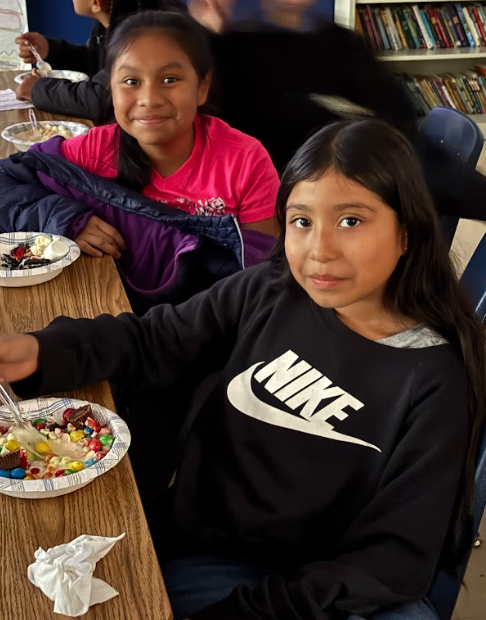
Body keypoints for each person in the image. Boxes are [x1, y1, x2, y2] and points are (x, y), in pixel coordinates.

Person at [1, 119, 484, 620]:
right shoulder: (270, 290)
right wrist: (37, 351)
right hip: (204, 545)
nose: (319, 250)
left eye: (351, 221)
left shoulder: (435, 376)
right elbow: (154, 339)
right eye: (301, 221)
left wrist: (253, 610)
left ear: (407, 232)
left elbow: (394, 556)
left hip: (306, 588)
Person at [0, 11, 279, 308]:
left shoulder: (245, 161)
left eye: (169, 79)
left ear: (202, 87)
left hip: (206, 321)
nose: (149, 99)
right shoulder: (97, 148)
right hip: (113, 309)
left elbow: (261, 277)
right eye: (131, 81)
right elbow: (7, 180)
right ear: (111, 89)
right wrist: (67, 219)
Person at [14, 0, 187, 122]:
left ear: (97, 2)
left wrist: (38, 89)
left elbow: (103, 98)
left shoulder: (145, 34)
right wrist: (51, 51)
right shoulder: (116, 19)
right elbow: (99, 63)